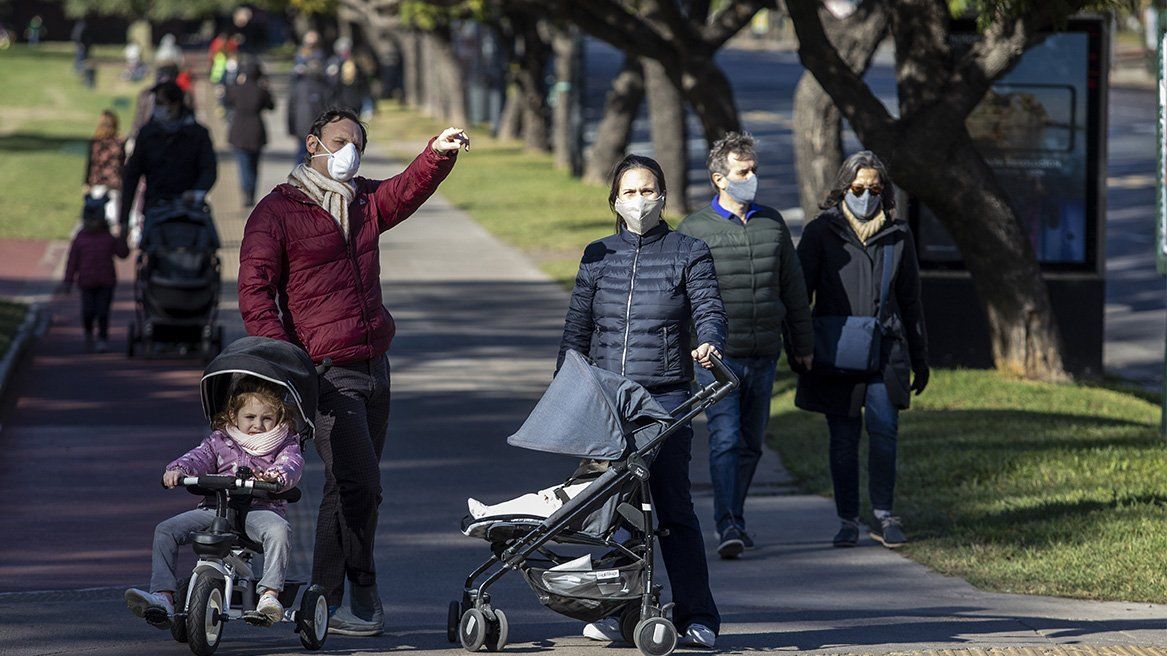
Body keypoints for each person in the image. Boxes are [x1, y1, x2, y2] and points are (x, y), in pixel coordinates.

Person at [237, 107, 469, 636]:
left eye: (359, 145)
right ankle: (362, 590)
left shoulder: (363, 201)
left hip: (374, 367)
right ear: (313, 143)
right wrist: (285, 363)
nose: (351, 153)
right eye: (341, 142)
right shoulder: (276, 212)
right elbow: (254, 293)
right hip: (324, 372)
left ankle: (322, 600)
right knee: (362, 484)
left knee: (347, 488)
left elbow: (405, 191)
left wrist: (437, 153)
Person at [558, 154, 726, 649]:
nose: (639, 201)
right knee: (609, 509)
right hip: (606, 400)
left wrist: (710, 339)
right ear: (614, 200)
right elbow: (577, 330)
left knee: (671, 509)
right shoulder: (597, 255)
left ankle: (699, 615)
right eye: (629, 192)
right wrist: (564, 391)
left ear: (663, 196)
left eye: (647, 190)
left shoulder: (688, 252)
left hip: (665, 400)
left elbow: (709, 307)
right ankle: (616, 609)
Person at [677, 132, 813, 559]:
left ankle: (734, 513)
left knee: (752, 442)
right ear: (719, 178)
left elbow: (793, 288)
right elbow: (679, 296)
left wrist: (802, 343)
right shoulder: (695, 229)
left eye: (753, 169)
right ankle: (728, 523)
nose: (751, 176)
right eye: (743, 171)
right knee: (726, 437)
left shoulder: (772, 223)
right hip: (716, 355)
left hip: (764, 351)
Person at [794, 150, 929, 549]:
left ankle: (885, 514)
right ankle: (847, 518)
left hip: (886, 351)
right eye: (857, 187)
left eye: (874, 188)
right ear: (843, 189)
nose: (866, 195)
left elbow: (911, 301)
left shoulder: (898, 234)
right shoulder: (822, 232)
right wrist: (799, 346)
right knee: (843, 439)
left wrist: (920, 359)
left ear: (884, 191)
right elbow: (800, 296)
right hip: (837, 352)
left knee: (885, 432)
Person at [123, 378, 304, 627]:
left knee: (279, 530)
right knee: (165, 530)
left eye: (267, 419)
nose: (258, 426)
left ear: (278, 418)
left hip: (259, 509)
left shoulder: (285, 443)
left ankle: (269, 595)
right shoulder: (220, 440)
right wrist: (178, 469)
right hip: (216, 508)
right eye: (250, 417)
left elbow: (291, 464)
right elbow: (198, 457)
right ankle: (163, 596)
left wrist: (276, 477)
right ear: (233, 415)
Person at [119, 81, 217, 242]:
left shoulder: (198, 135)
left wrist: (197, 192)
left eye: (159, 103)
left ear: (175, 104)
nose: (156, 108)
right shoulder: (148, 135)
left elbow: (209, 169)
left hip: (190, 211)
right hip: (156, 208)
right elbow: (132, 175)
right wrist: (124, 221)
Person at [62, 200, 130, 353]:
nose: (91, 223)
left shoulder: (108, 238)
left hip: (106, 282)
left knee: (103, 312)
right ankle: (88, 332)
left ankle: (102, 338)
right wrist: (68, 281)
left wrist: (123, 238)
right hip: (86, 282)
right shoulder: (80, 239)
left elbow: (122, 254)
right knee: (87, 312)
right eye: (88, 220)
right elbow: (72, 261)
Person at [226, 60, 275, 207]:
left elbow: (226, 101)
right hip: (256, 130)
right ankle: (251, 192)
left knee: (243, 164)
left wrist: (236, 83)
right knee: (254, 165)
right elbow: (271, 106)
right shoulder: (260, 90)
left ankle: (246, 192)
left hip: (239, 130)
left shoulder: (237, 88)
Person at [83, 110, 126, 227]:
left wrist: (86, 182)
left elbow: (90, 163)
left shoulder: (96, 141)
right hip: (114, 181)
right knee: (112, 216)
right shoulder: (119, 143)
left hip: (98, 182)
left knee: (96, 216)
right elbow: (123, 164)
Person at [288, 59, 332, 164]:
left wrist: (291, 128)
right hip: (318, 128)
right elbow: (330, 109)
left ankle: (298, 178)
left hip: (301, 128)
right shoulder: (324, 87)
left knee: (301, 154)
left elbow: (291, 109)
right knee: (317, 156)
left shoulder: (299, 86)